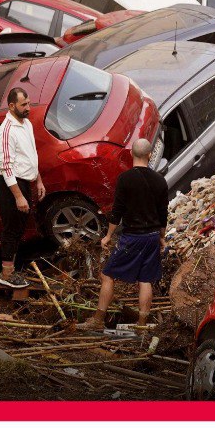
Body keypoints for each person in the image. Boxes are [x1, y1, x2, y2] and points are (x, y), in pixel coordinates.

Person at [76, 138, 168, 330]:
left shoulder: (125, 179)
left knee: (107, 275)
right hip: (151, 237)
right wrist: (161, 237)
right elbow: (162, 214)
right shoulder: (160, 181)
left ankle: (98, 320)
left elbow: (116, 212)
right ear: (150, 155)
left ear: (132, 154)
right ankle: (141, 324)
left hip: (132, 238)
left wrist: (108, 236)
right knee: (145, 280)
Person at [0, 87, 46, 289]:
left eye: (29, 103)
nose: (28, 108)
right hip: (9, 186)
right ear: (12, 105)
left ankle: (10, 268)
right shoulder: (6, 131)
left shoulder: (27, 124)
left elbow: (31, 155)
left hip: (24, 182)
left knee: (20, 227)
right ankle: (6, 274)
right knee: (12, 229)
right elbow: (6, 167)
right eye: (24, 105)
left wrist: (38, 180)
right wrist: (19, 196)